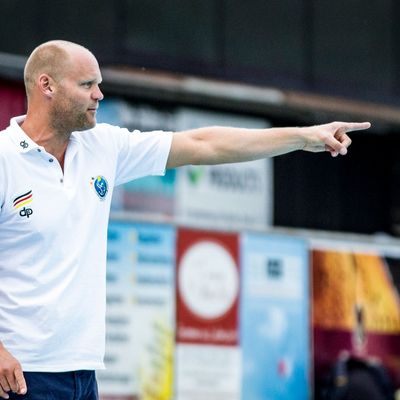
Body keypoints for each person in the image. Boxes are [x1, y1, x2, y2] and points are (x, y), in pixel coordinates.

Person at [0, 40, 371, 400]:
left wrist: (302, 138)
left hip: (83, 372)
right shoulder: (4, 159)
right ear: (47, 85)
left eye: (99, 84)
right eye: (87, 85)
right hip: (20, 372)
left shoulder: (103, 146)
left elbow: (203, 144)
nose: (99, 94)